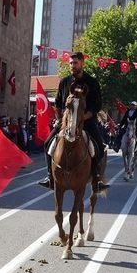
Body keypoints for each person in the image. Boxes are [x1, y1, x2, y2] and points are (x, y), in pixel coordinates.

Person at [37, 52, 109, 191]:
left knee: (99, 147)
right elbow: (58, 103)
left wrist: (83, 117)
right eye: (70, 63)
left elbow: (97, 105)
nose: (72, 66)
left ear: (82, 63)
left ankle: (97, 178)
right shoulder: (64, 82)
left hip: (86, 122)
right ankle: (50, 177)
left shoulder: (92, 82)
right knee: (47, 144)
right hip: (66, 123)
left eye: (75, 63)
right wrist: (59, 119)